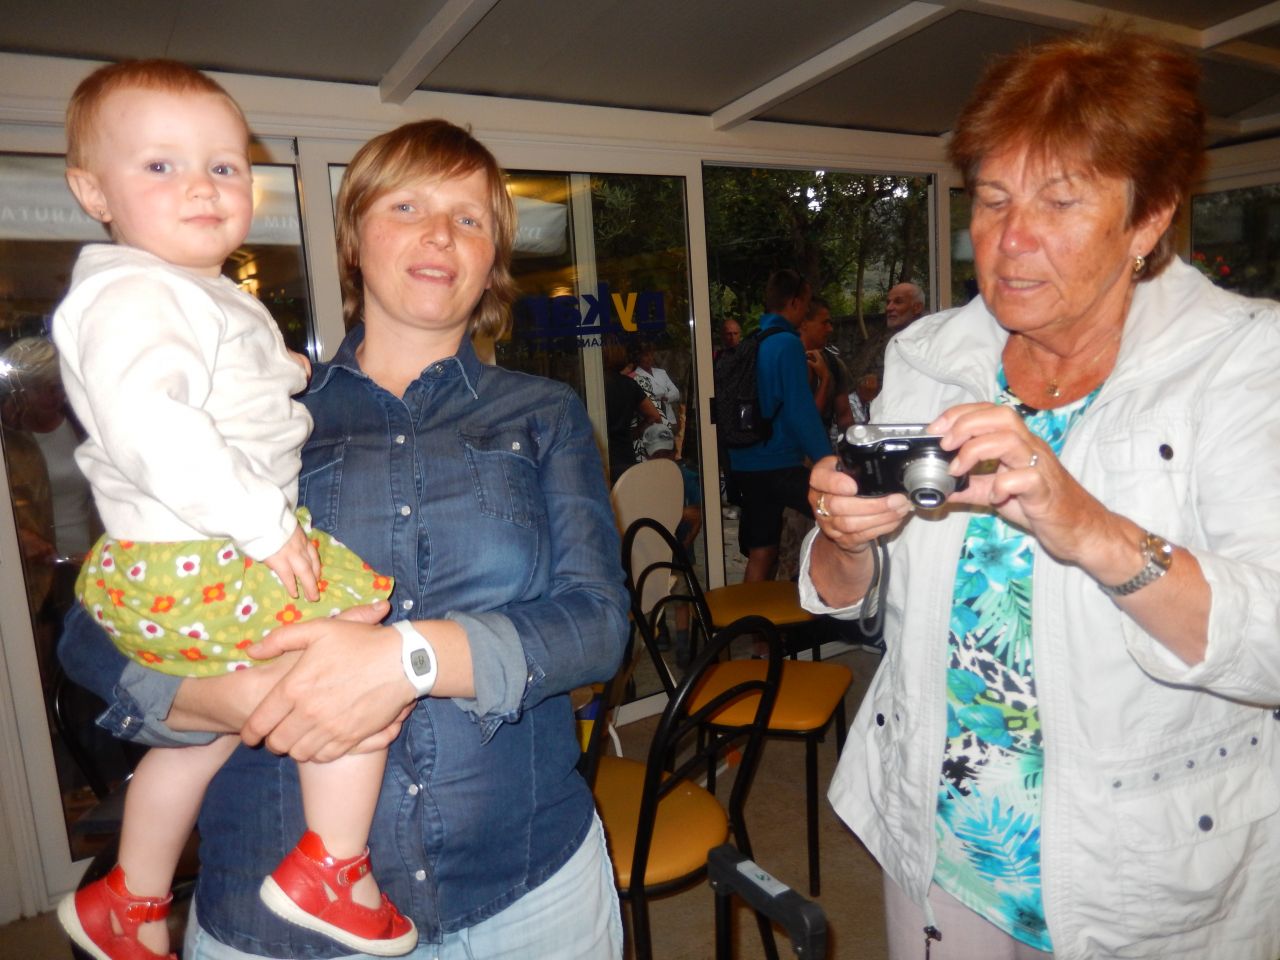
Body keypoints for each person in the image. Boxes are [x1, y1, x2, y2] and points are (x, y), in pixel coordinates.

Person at [59, 114, 629, 960]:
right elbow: (94, 632)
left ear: (492, 260)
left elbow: (597, 625)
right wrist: (228, 699)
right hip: (275, 920)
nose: (440, 234)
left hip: (526, 886)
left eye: (469, 218)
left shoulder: (544, 413)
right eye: (406, 207)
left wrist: (408, 658)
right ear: (354, 239)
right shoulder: (257, 417)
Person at [802, 28, 1280, 960]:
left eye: (1059, 201)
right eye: (992, 199)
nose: (1010, 240)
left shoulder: (1243, 362)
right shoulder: (927, 356)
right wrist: (846, 539)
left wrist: (1091, 529)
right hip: (941, 838)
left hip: (1144, 875)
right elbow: (857, 598)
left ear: (1148, 221)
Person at [51, 60, 411, 960]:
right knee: (353, 668)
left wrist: (279, 370)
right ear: (92, 192)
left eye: (223, 165)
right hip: (205, 549)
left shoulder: (190, 291)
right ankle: (333, 868)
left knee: (200, 739)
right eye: (160, 165)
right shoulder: (136, 292)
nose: (202, 186)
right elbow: (152, 425)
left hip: (177, 557)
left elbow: (211, 377)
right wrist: (266, 522)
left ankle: (128, 899)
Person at [726, 269, 830, 583]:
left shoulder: (753, 341)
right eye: (806, 304)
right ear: (794, 302)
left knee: (762, 551)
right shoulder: (787, 344)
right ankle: (831, 599)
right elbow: (800, 411)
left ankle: (753, 616)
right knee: (837, 514)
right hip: (777, 463)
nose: (806, 311)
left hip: (745, 461)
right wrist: (828, 461)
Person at [847, 280, 925, 393]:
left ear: (917, 307)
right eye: (888, 302)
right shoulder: (879, 340)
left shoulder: (929, 342)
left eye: (898, 302)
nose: (889, 308)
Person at [603, 339, 661, 483]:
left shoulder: (594, 385)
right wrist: (634, 432)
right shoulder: (629, 384)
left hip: (602, 454)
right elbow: (654, 416)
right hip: (625, 455)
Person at [797, 297, 854, 438]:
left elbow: (844, 416)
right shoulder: (787, 362)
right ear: (804, 323)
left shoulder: (834, 364)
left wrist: (851, 444)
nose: (830, 329)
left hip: (821, 446)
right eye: (824, 323)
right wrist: (825, 379)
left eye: (830, 323)